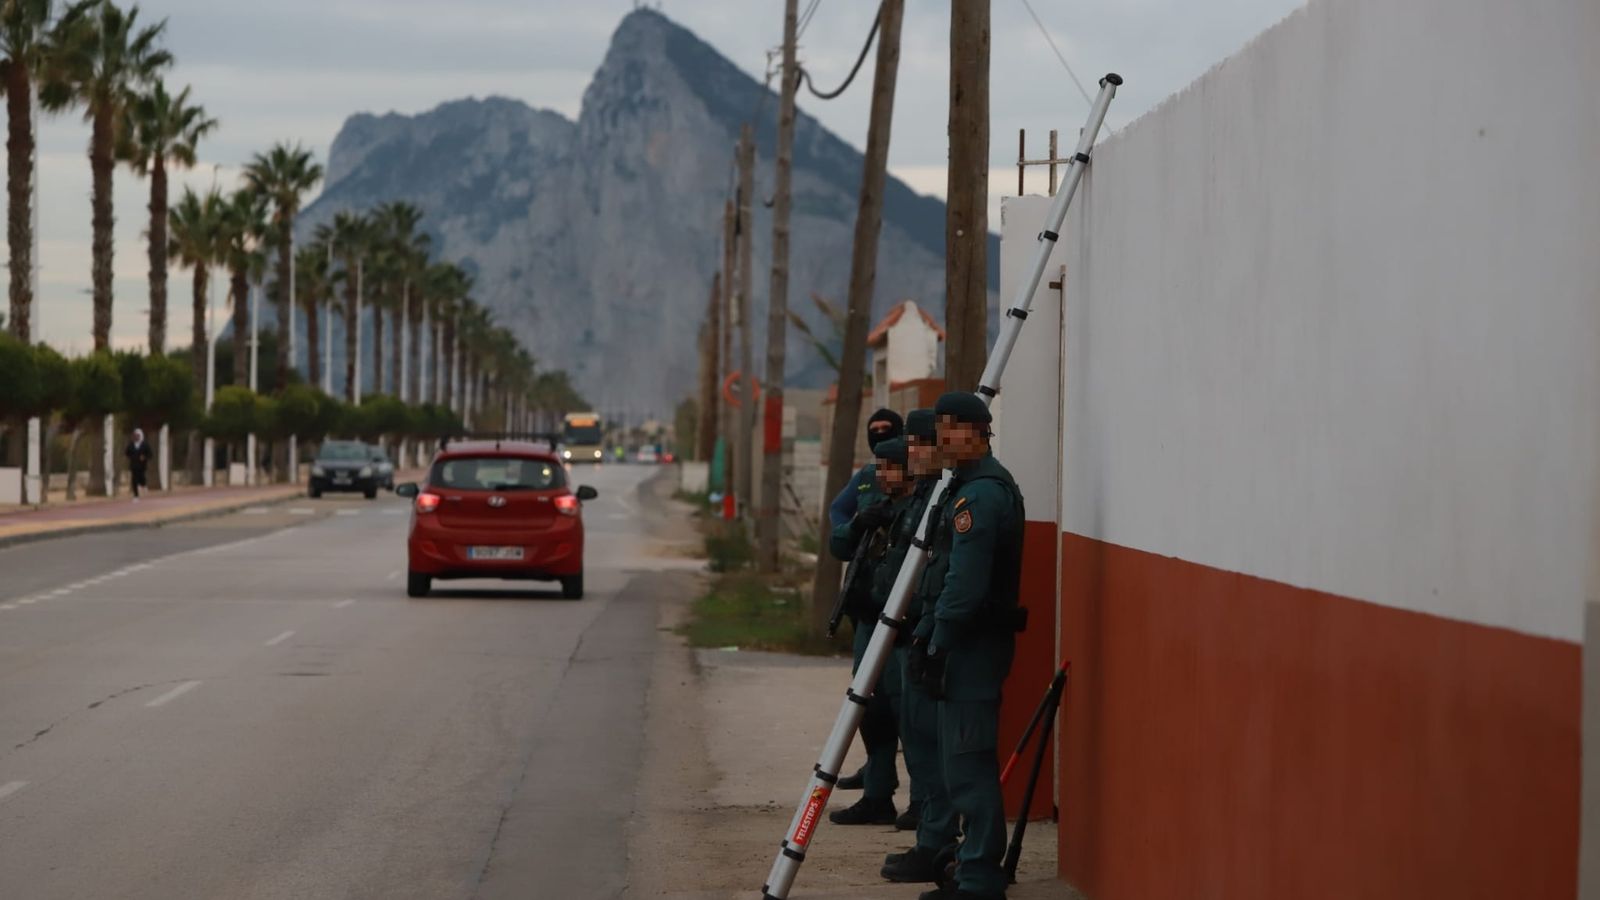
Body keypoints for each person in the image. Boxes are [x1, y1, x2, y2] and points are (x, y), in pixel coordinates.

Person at [898, 392, 1025, 900]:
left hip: (973, 649)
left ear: (978, 432)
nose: (943, 439)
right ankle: (968, 866)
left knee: (970, 766)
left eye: (952, 429)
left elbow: (965, 585)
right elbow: (939, 575)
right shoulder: (961, 490)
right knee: (955, 763)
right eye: (941, 430)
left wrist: (939, 641)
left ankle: (977, 880)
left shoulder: (985, 495)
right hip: (956, 646)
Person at [826, 437, 914, 826]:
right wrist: (858, 524)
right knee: (870, 708)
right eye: (878, 468)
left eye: (889, 467)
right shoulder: (871, 495)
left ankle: (926, 806)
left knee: (906, 713)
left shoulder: (917, 510)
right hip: (868, 619)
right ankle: (877, 794)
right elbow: (840, 538)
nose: (881, 475)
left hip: (901, 626)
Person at [827, 408, 903, 529]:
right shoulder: (866, 475)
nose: (880, 434)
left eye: (885, 428)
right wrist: (854, 529)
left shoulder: (913, 469)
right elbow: (838, 510)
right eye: (874, 430)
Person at [124, 428, 153, 502]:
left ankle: (143, 484)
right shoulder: (131, 444)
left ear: (141, 436)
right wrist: (131, 457)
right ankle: (136, 496)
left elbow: (150, 454)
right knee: (134, 480)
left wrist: (144, 457)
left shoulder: (145, 444)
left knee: (141, 478)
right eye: (135, 436)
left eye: (138, 435)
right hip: (133, 465)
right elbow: (127, 453)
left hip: (142, 466)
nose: (136, 437)